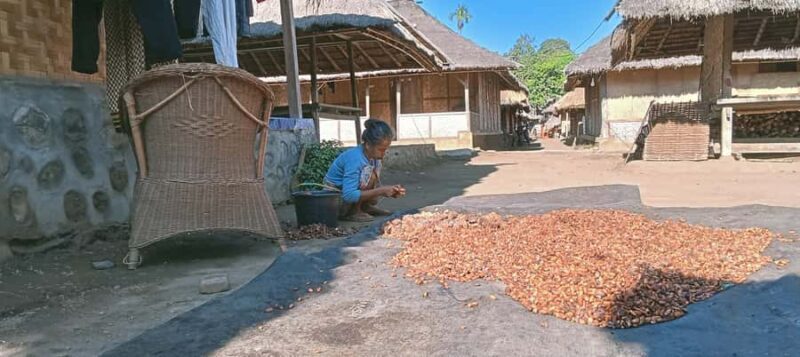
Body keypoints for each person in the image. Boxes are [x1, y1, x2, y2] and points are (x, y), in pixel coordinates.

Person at [324, 119, 406, 222]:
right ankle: (353, 212)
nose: (384, 153)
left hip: (346, 194)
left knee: (370, 175)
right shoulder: (355, 159)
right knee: (368, 175)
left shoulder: (373, 158)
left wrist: (391, 191)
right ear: (367, 145)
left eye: (386, 149)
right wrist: (381, 190)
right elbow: (349, 195)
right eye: (381, 149)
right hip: (334, 201)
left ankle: (364, 207)